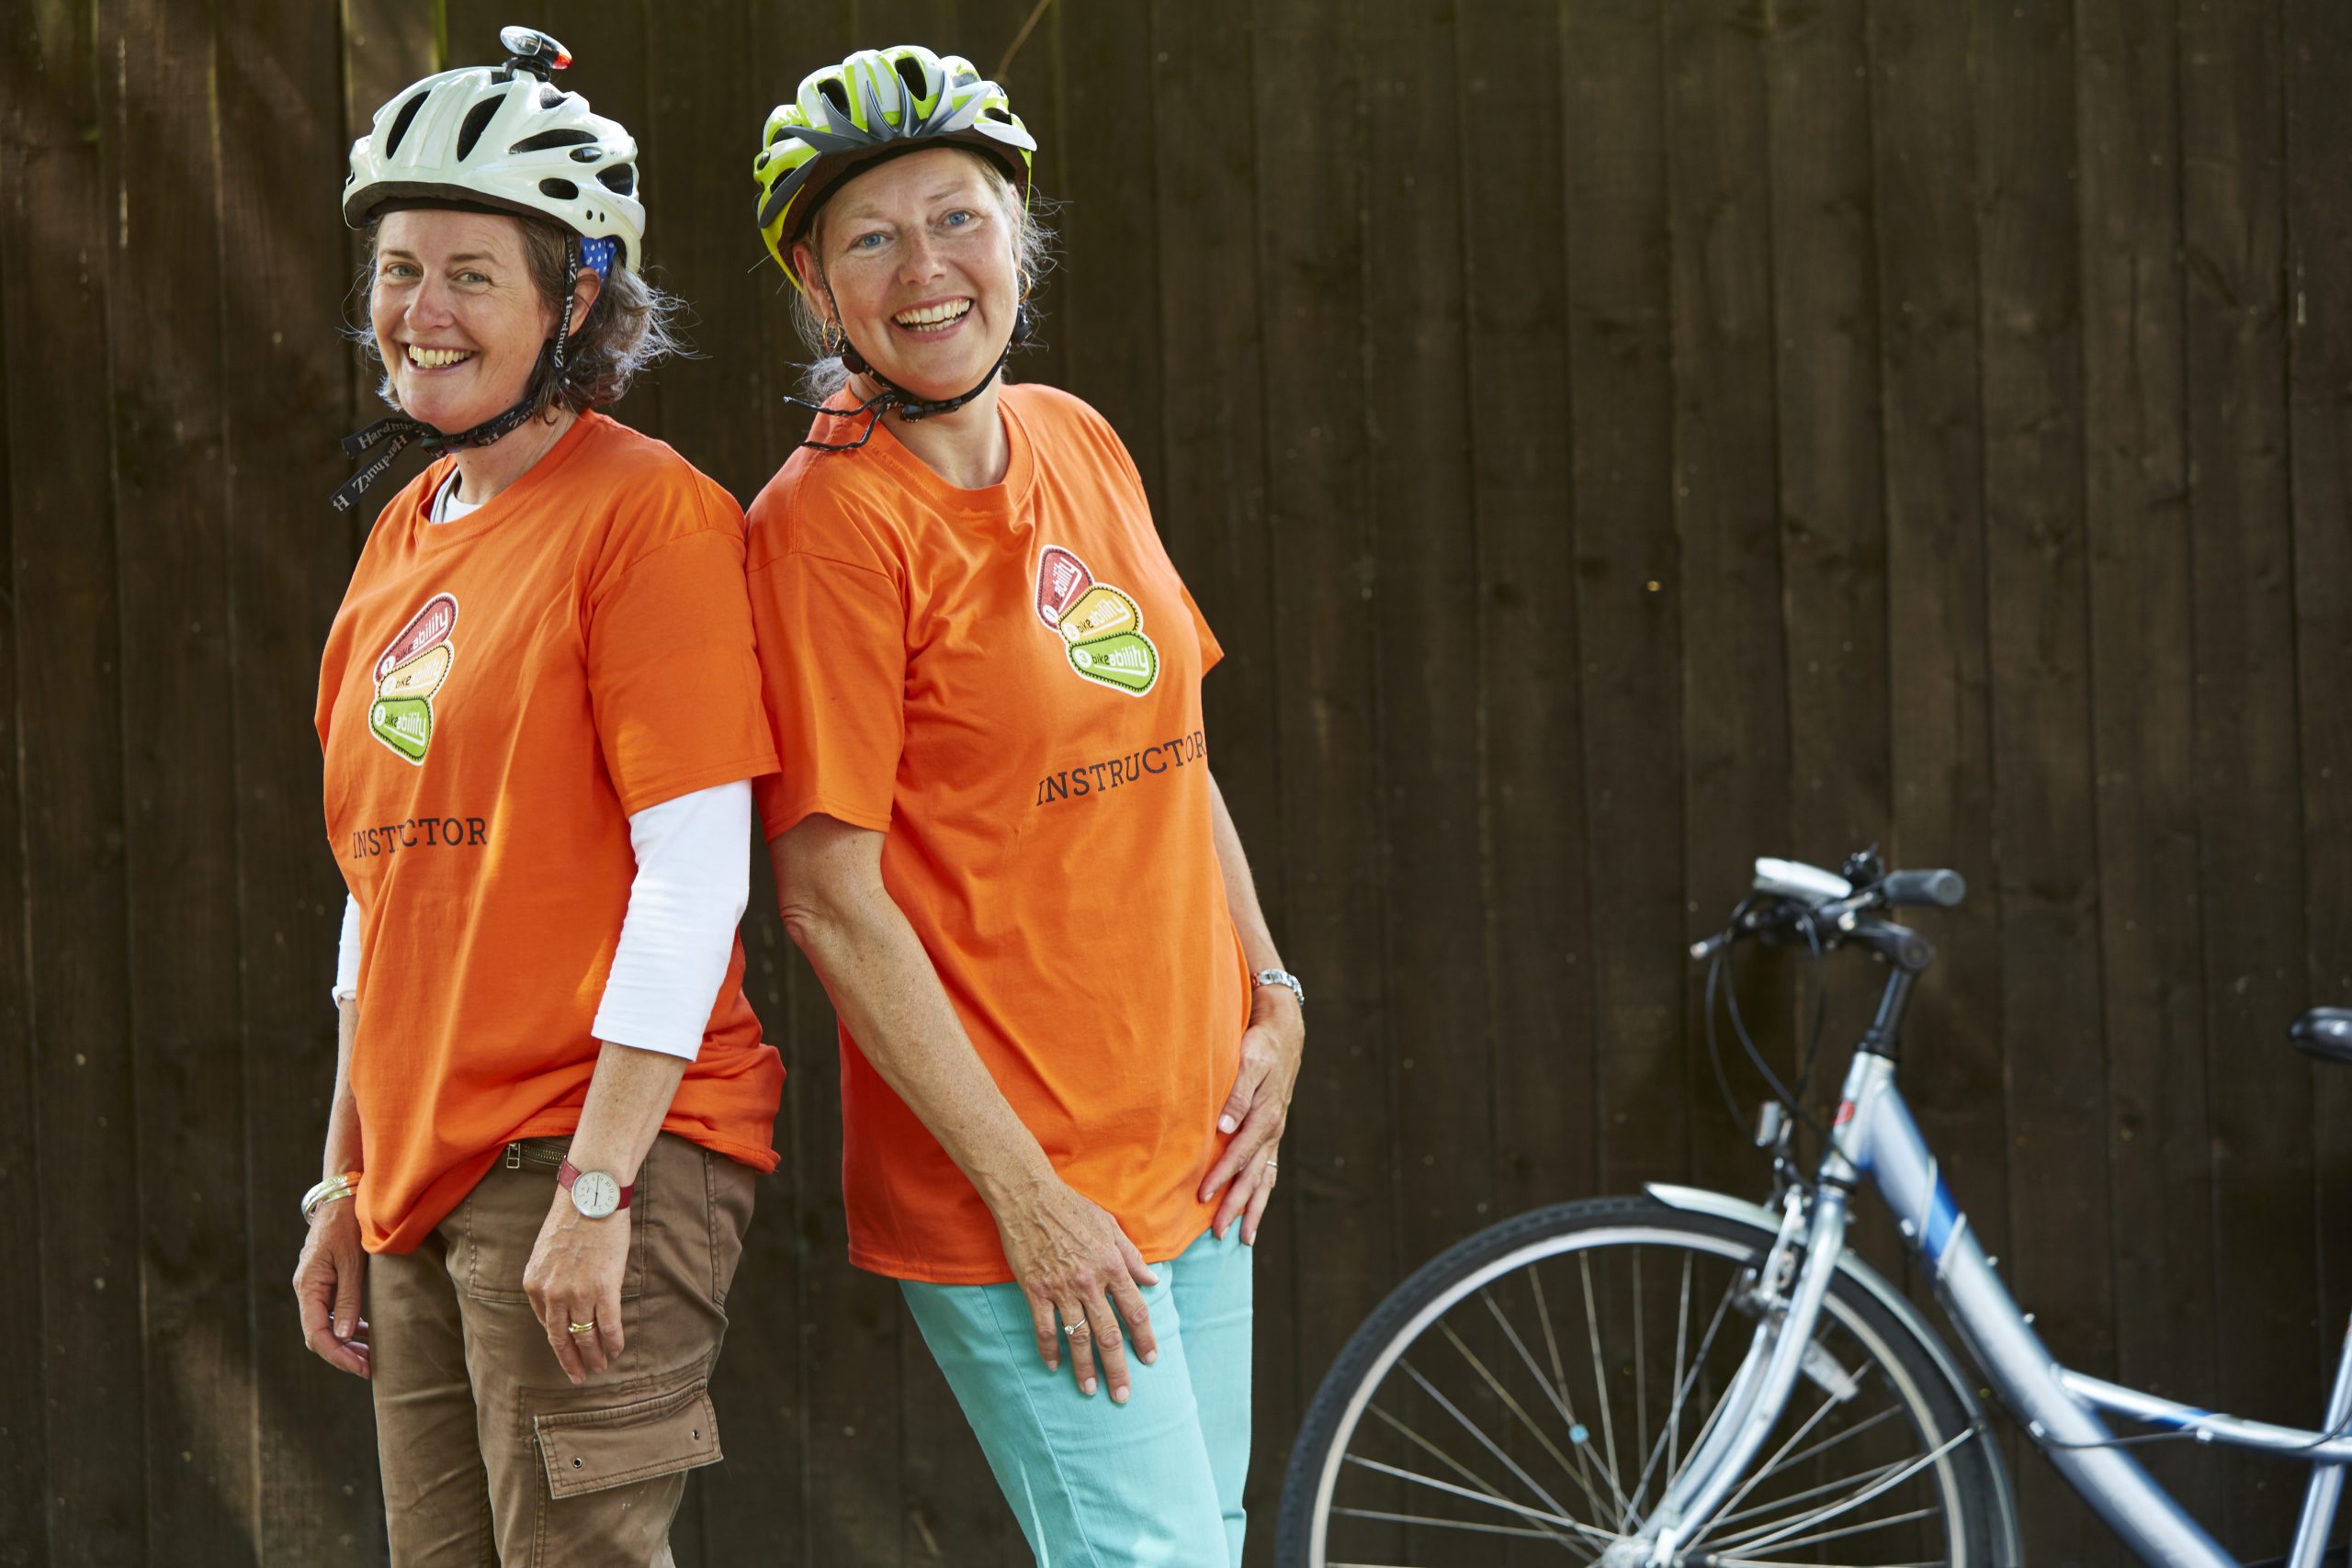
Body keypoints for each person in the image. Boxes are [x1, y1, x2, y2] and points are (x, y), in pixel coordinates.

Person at [744, 45, 1306, 1563]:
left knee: (1203, 1538)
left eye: (959, 217)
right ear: (818, 290)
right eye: (870, 237)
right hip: (1028, 1188)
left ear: (1018, 240)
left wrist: (1274, 994)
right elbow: (826, 900)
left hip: (1192, 1145)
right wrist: (1029, 1203)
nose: (925, 268)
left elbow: (1176, 754)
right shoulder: (826, 528)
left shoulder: (1077, 436)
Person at [291, 28, 783, 1565]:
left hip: (594, 1153)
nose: (418, 313)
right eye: (397, 267)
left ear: (573, 299)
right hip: (424, 1169)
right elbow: (387, 893)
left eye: (470, 274)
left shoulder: (650, 517)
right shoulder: (400, 540)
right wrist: (344, 1174)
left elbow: (697, 878)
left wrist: (597, 1180)